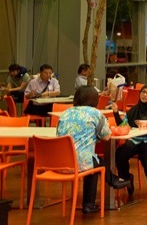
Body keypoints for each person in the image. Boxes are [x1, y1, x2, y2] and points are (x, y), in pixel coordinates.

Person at [55, 86, 130, 214]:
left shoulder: (65, 113)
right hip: (80, 164)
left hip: (61, 163)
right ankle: (110, 183)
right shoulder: (95, 113)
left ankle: (95, 198)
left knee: (95, 161)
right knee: (93, 162)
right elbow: (106, 137)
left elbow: (58, 135)